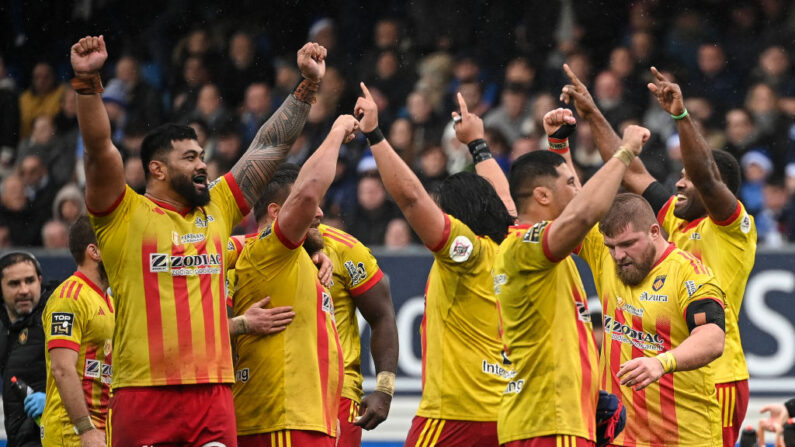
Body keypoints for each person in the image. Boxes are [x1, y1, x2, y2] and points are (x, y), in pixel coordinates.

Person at [70, 34, 325, 445]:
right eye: (190, 158)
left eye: (203, 156)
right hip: (144, 392)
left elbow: (270, 145)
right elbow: (100, 150)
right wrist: (87, 82)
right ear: (156, 169)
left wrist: (308, 87)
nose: (203, 165)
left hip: (213, 394)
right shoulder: (123, 214)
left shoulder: (218, 207)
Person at [561, 63, 756, 447]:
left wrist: (680, 116)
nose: (680, 181)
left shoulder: (733, 229)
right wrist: (593, 114)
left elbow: (706, 177)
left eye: (689, 176)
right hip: (662, 361)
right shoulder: (671, 221)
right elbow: (632, 172)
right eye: (680, 173)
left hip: (716, 373)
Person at [360, 82, 516, 446]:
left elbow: (412, 198)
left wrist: (375, 134)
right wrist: (477, 144)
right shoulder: (513, 245)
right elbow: (503, 199)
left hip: (453, 418)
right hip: (509, 418)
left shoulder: (466, 253)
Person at [494, 111, 648, 446]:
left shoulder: (547, 254)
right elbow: (584, 212)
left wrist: (558, 144)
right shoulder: (525, 245)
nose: (577, 189)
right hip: (550, 421)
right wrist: (624, 152)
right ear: (542, 196)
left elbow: (579, 213)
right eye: (569, 183)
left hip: (549, 418)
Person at [231, 115, 358, 446]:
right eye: (313, 207)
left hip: (311, 420)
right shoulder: (267, 250)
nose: (319, 213)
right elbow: (305, 195)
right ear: (276, 214)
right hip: (280, 420)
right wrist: (336, 131)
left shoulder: (301, 258)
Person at [576, 193, 726, 446]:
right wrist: (560, 151)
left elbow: (712, 339)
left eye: (627, 244)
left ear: (654, 231)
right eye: (611, 246)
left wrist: (661, 362)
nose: (618, 255)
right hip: (619, 435)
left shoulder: (690, 273)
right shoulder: (605, 254)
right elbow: (572, 204)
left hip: (686, 437)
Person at [41, 216, 114, 447]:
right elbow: (62, 368)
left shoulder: (109, 301)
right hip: (73, 433)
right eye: (115, 241)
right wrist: (85, 429)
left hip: (103, 431)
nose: (124, 248)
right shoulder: (68, 298)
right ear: (95, 251)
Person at [0, 252, 50, 447]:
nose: (24, 290)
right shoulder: (4, 328)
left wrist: (55, 400)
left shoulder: (55, 317)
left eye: (29, 281)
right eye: (14, 284)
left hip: (55, 438)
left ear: (40, 280)